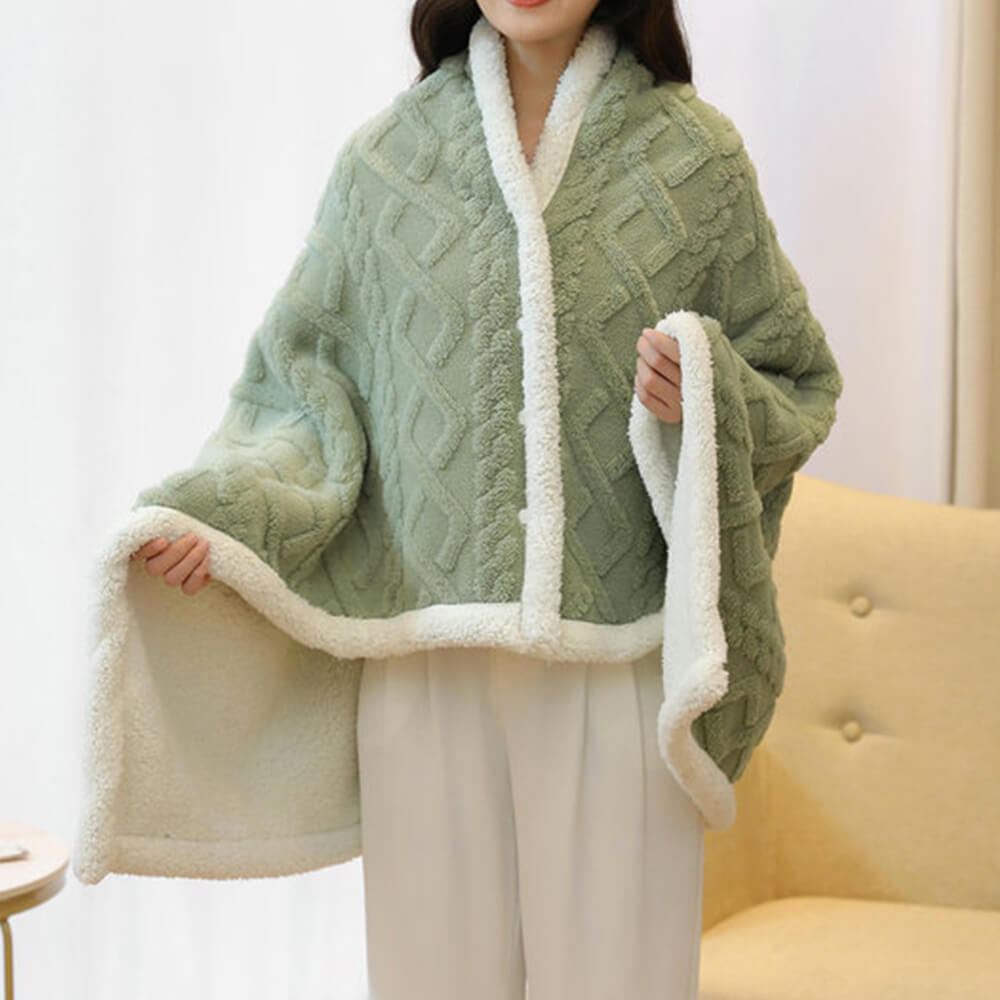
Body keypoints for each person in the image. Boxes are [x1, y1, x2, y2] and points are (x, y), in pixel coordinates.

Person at [125, 1, 843, 997]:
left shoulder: (696, 159)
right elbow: (304, 394)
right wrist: (227, 516)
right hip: (425, 670)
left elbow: (797, 379)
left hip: (617, 663)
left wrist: (706, 391)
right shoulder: (386, 163)